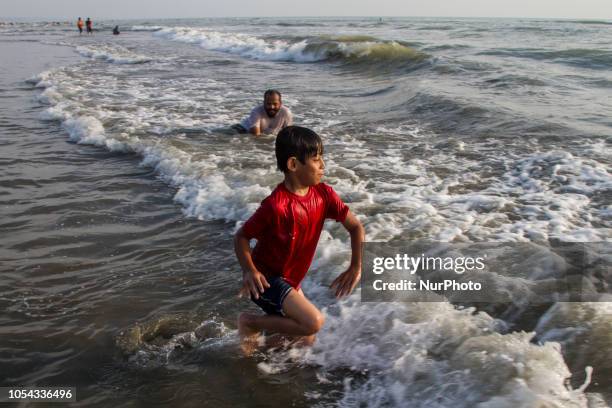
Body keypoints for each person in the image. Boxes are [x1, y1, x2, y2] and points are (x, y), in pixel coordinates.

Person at [235, 126, 365, 354]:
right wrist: (249, 271)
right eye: (316, 160)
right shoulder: (275, 206)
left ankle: (255, 348)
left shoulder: (324, 195)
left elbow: (355, 227)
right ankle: (250, 322)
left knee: (306, 340)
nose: (323, 166)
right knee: (313, 322)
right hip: (265, 280)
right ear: (293, 165)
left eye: (322, 158)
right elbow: (242, 236)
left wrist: (356, 266)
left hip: (290, 280)